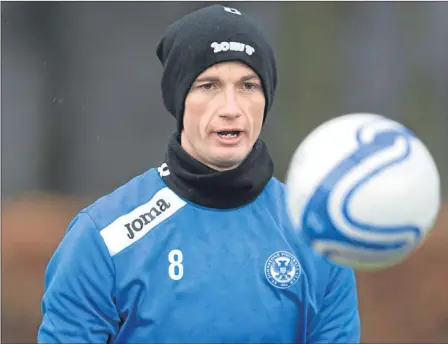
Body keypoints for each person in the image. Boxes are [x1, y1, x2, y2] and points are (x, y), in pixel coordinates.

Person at [38, 4, 361, 343]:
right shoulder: (103, 238)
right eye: (209, 86)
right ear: (179, 99)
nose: (231, 109)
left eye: (248, 86)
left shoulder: (315, 235)